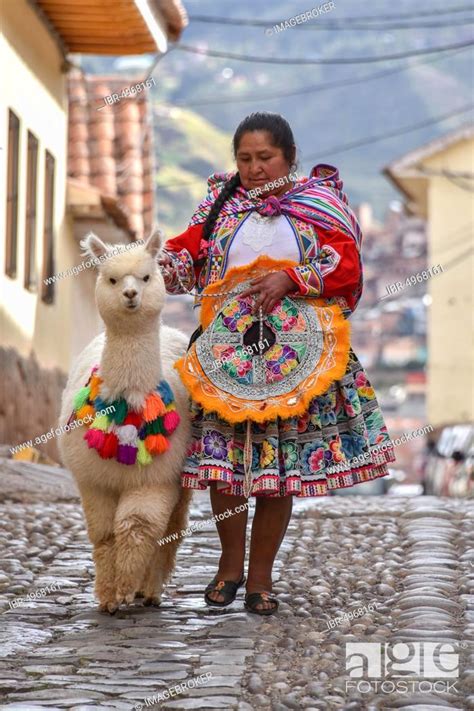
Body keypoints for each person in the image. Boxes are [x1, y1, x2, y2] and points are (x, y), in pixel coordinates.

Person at [158, 112, 395, 615]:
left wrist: (293, 278)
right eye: (245, 159)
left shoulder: (318, 205)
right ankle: (228, 568)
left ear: (289, 156)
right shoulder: (221, 204)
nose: (254, 168)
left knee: (277, 471)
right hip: (226, 356)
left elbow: (346, 264)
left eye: (265, 158)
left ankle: (260, 578)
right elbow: (190, 253)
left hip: (298, 359)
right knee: (225, 469)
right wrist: (153, 270)